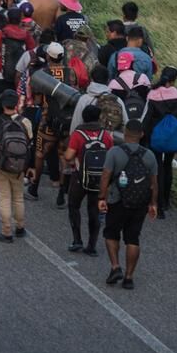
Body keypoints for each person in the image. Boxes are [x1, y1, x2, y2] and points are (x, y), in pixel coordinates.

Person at [97, 116, 157, 288]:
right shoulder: (150, 156)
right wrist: (153, 204)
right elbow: (154, 183)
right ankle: (129, 277)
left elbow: (106, 176)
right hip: (139, 202)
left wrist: (102, 198)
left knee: (111, 233)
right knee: (133, 238)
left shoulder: (114, 152)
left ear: (124, 134)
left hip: (117, 200)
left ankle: (116, 266)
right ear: (142, 134)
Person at [62, 104, 112, 255]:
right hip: (100, 180)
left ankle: (77, 240)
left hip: (80, 177)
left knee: (73, 205)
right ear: (98, 118)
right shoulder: (106, 135)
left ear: (84, 117)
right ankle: (92, 246)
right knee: (94, 211)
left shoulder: (78, 134)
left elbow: (69, 156)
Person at [0, 89, 33, 242]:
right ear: (16, 103)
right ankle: (20, 227)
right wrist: (29, 167)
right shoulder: (25, 122)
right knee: (18, 198)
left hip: (1, 164)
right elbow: (29, 145)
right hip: (20, 166)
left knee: (4, 198)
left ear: (2, 104)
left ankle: (6, 232)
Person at [144, 66, 177, 217]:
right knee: (168, 167)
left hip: (156, 137)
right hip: (173, 137)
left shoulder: (153, 94)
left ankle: (158, 202)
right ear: (174, 80)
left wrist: (143, 136)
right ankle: (166, 201)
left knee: (157, 169)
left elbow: (148, 119)